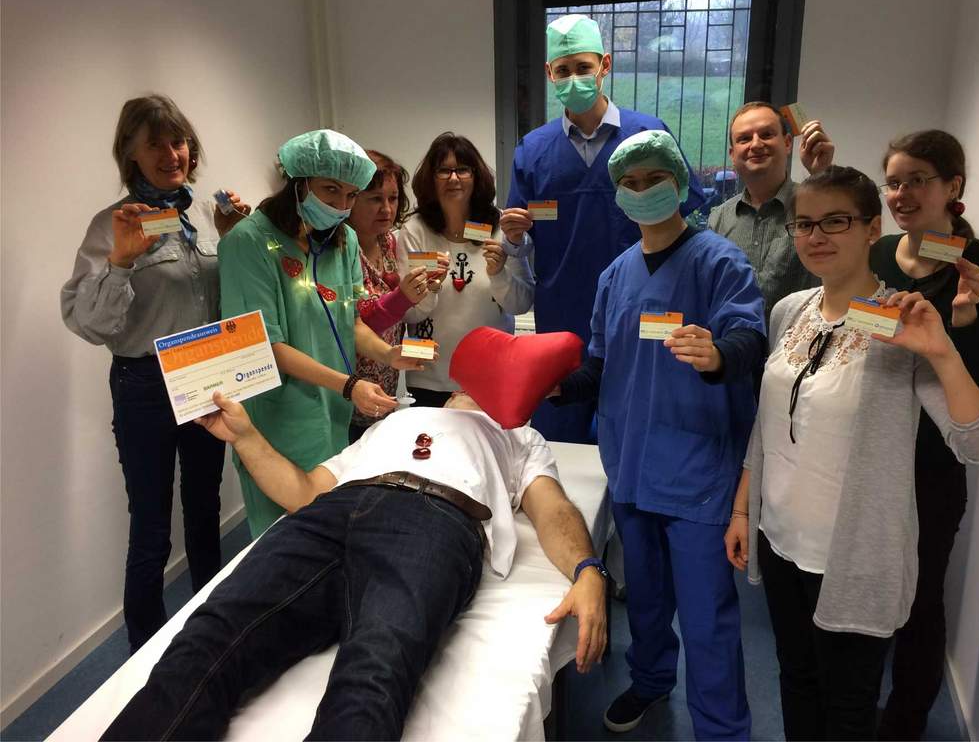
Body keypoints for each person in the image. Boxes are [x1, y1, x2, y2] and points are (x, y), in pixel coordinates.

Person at [100, 390, 608, 741]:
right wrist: (247, 437)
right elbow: (304, 491)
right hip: (332, 511)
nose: (470, 389)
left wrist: (588, 569)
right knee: (213, 632)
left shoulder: (515, 434)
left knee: (375, 667)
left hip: (435, 517)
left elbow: (553, 510)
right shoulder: (394, 423)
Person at [723, 166, 979, 740]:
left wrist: (944, 353)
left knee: (848, 706)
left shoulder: (903, 325)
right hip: (780, 540)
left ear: (872, 228)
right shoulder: (790, 311)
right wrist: (741, 509)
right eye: (805, 223)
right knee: (796, 678)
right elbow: (769, 424)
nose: (816, 236)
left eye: (836, 221)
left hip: (852, 555)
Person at [552, 130, 766, 739]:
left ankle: (722, 729)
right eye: (630, 182)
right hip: (631, 464)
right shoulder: (615, 275)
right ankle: (649, 681)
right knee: (644, 600)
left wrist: (717, 354)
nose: (642, 191)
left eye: (655, 179)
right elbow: (601, 363)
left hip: (696, 469)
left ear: (680, 183)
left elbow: (749, 339)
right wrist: (557, 386)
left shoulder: (718, 261)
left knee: (706, 617)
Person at [61, 94, 247, 653]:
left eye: (178, 141)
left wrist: (235, 238)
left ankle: (211, 633)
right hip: (145, 385)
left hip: (204, 371)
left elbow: (233, 296)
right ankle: (144, 655)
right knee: (150, 529)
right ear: (131, 154)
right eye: (155, 145)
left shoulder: (205, 216)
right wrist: (121, 260)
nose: (171, 154)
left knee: (206, 507)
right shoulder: (112, 225)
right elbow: (87, 323)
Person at [871, 131, 979, 741]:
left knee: (919, 598)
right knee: (859, 583)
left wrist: (964, 315)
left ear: (953, 186)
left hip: (931, 465)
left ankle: (905, 720)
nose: (901, 195)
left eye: (917, 180)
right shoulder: (879, 255)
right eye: (893, 182)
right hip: (867, 449)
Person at [503, 14, 706, 443]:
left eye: (583, 67)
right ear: (549, 73)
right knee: (562, 439)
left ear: (605, 65)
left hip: (642, 312)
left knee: (639, 431)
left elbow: (686, 220)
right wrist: (513, 238)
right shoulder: (533, 150)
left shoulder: (647, 135)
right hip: (563, 316)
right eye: (563, 70)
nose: (573, 78)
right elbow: (519, 240)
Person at [219, 130, 425, 537]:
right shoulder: (248, 243)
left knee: (329, 528)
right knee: (281, 538)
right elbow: (266, 346)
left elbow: (352, 322)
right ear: (298, 183)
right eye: (330, 190)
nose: (340, 206)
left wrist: (387, 355)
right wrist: (348, 385)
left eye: (351, 195)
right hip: (278, 416)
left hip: (332, 412)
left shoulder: (342, 240)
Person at [398, 132, 534, 408]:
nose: (453, 178)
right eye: (443, 171)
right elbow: (408, 313)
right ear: (430, 178)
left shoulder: (500, 227)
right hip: (430, 379)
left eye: (462, 169)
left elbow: (522, 303)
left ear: (476, 175)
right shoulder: (415, 231)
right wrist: (430, 290)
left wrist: (498, 274)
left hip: (491, 376)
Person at [345, 150, 444, 443]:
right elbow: (353, 323)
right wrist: (404, 296)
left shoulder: (389, 241)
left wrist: (429, 285)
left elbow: (404, 314)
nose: (387, 209)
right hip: (348, 394)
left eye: (393, 198)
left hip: (385, 389)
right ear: (352, 199)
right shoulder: (340, 249)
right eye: (375, 199)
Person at [708, 101, 836, 325]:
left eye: (767, 134)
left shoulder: (816, 206)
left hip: (801, 343)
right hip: (733, 343)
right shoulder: (718, 219)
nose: (756, 144)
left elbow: (844, 256)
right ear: (732, 154)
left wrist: (821, 176)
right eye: (744, 139)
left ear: (787, 143)